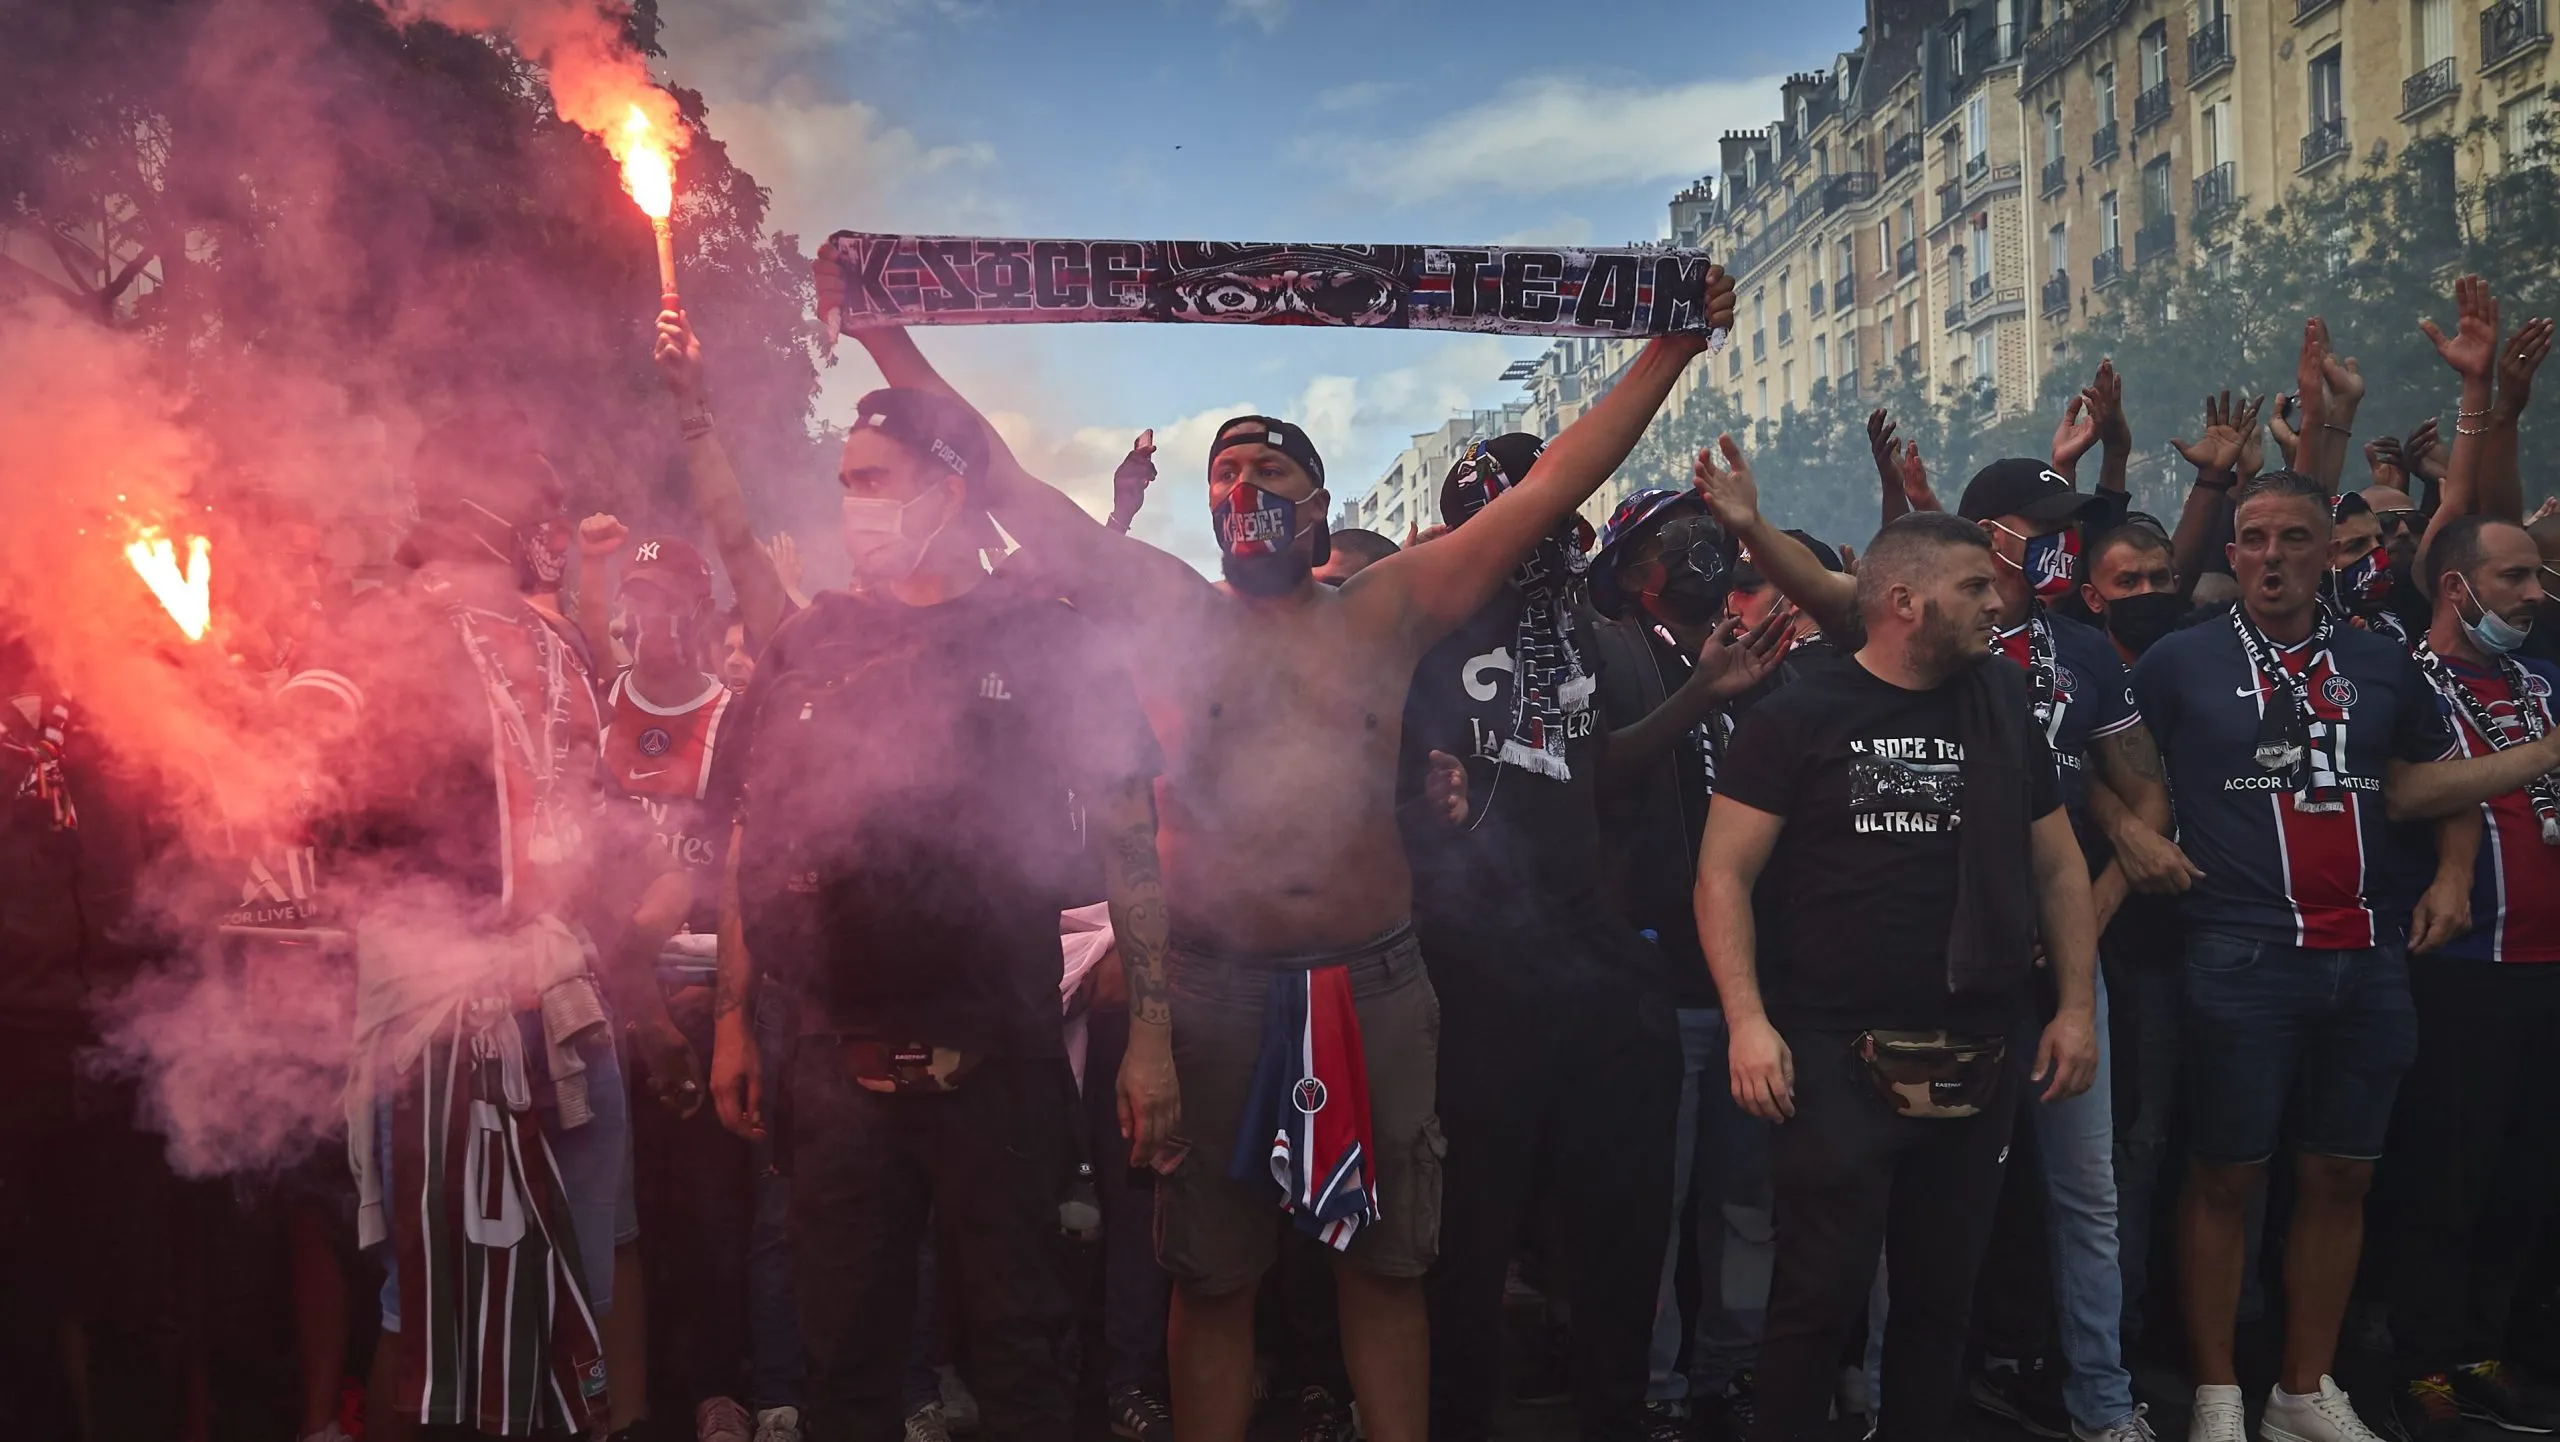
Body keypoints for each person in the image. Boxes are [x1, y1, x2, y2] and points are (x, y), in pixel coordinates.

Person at [836, 273, 1730, 1442]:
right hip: (1211, 985)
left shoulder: (1388, 608)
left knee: (1387, 1259)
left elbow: (1560, 479)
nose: (1238, 489)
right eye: (1223, 473)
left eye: (1266, 474)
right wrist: (880, 331)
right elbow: (1004, 481)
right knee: (1212, 1273)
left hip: (1370, 978)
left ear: (1317, 505)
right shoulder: (1168, 612)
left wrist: (1670, 346)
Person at [704, 386, 1166, 1442]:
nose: (851, 506)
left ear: (948, 490)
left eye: (872, 481)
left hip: (1000, 1060)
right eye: (843, 484)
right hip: (829, 1064)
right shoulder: (810, 640)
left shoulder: (1047, 639)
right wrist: (736, 1014)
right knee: (848, 1368)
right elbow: (752, 831)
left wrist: (1153, 1042)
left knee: (1020, 1352)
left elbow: (1130, 831)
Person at [2128, 470, 2560, 1442]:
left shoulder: (2380, 661)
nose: (2269, 555)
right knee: (2224, 1177)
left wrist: (2452, 873)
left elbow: (2417, 779)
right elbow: (2114, 768)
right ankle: (2213, 1396)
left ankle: (2301, 1390)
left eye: (2291, 537)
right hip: (2238, 948)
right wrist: (2127, 831)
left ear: (2330, 553)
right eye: (2251, 538)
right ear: (2231, 552)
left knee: (2341, 1176)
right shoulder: (2176, 661)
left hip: (2368, 954)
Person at [1694, 508, 2101, 1442]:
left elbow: (2057, 867)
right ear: (1905, 601)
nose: (1996, 601)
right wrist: (1748, 1022)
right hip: (1832, 1048)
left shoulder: (2001, 703)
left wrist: (2074, 1006)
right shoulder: (1797, 713)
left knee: (1940, 1301)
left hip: (1983, 1042)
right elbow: (1724, 874)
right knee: (1818, 1298)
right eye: (1973, 588)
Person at [1400, 444, 1772, 1442]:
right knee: (1467, 1239)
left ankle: (1617, 1410)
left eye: (1559, 514)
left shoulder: (1596, 634)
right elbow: (1358, 775)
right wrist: (1413, 801)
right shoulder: (1415, 632)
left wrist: (1703, 689)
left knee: (1616, 1228)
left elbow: (1603, 766)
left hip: (1593, 964)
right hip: (1465, 973)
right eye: (1521, 514)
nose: (1548, 538)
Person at [311, 407, 633, 1442]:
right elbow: (316, 724)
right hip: (441, 1007)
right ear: (476, 509)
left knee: (578, 1281)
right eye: (538, 495)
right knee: (439, 1294)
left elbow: (587, 797)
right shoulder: (387, 627)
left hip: (565, 994)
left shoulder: (559, 638)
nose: (556, 514)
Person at [1584, 487, 1791, 1441]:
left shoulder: (1753, 660)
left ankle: (1731, 1370)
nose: (1707, 557)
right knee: (1653, 1207)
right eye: (1683, 545)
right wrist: (1703, 689)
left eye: (1713, 541)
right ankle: (1656, 1388)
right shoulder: (1609, 652)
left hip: (1749, 986)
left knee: (1746, 1199)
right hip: (1657, 985)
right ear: (1635, 573)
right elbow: (1604, 772)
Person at [2384, 514, 2560, 1439]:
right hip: (2462, 966)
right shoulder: (2403, 678)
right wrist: (2547, 751)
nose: (2539, 593)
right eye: (2519, 577)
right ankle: (2419, 1363)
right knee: (2444, 1175)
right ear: (2459, 586)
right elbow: (2407, 789)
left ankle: (2485, 1349)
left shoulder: (2540, 682)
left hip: (2550, 963)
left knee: (2527, 1174)